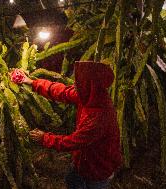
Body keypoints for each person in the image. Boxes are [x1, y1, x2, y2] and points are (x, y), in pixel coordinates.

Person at [19, 61, 122, 189]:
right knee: (72, 180)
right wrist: (32, 82)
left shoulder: (99, 117)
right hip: (83, 161)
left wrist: (44, 138)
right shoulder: (91, 95)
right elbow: (62, 91)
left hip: (99, 169)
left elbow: (72, 142)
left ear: (89, 85)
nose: (74, 84)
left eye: (78, 82)